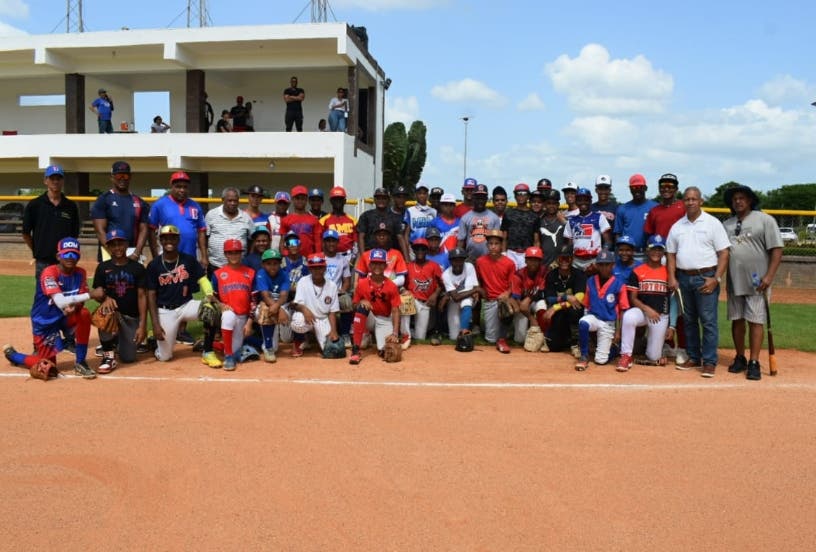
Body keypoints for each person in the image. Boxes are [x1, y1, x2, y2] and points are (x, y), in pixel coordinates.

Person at [3, 238, 96, 379]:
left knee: (83, 314)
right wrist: (91, 295)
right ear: (58, 256)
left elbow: (80, 299)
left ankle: (81, 362)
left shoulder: (80, 273)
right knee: (48, 366)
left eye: (74, 254)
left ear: (79, 257)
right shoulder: (49, 273)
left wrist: (76, 306)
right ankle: (14, 356)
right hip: (45, 321)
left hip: (65, 317)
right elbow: (60, 301)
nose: (70, 258)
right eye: (66, 254)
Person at [666, 186, 730, 378]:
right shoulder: (677, 226)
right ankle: (694, 356)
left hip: (706, 276)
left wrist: (716, 278)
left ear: (701, 201)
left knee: (708, 321)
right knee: (689, 320)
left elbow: (724, 253)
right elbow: (670, 254)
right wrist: (671, 276)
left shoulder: (712, 223)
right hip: (684, 277)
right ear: (683, 202)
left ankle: (709, 361)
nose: (691, 202)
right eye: (687, 199)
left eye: (694, 199)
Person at [722, 184, 783, 381]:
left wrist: (769, 276)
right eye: (734, 199)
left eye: (742, 198)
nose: (738, 201)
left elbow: (777, 250)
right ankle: (740, 357)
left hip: (759, 283)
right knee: (737, 320)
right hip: (734, 281)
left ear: (750, 200)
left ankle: (754, 361)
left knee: (756, 321)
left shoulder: (764, 220)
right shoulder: (727, 225)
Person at [147, 172, 208, 344]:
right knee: (164, 290)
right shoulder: (160, 205)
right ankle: (159, 327)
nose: (182, 190)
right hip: (167, 256)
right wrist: (154, 255)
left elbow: (201, 231)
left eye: (184, 186)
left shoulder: (195, 206)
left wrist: (203, 255)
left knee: (186, 290)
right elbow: (152, 230)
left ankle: (182, 330)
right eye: (178, 186)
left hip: (188, 256)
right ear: (171, 186)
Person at [146, 225, 213, 362]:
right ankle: (156, 344)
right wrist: (155, 324)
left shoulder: (188, 260)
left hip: (186, 306)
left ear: (178, 240)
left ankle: (208, 349)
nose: (169, 241)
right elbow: (151, 295)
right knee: (165, 357)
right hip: (165, 311)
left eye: (173, 238)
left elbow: (202, 279)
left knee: (213, 309)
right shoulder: (154, 265)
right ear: (160, 240)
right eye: (165, 238)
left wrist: (209, 293)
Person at [89, 229, 148, 373]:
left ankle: (117, 341)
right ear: (107, 247)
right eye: (113, 245)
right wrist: (105, 298)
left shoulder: (137, 268)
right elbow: (97, 292)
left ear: (127, 244)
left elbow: (142, 296)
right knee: (104, 312)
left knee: (128, 358)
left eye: (120, 244)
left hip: (131, 317)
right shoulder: (103, 267)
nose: (117, 248)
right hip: (113, 314)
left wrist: (142, 325)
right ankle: (108, 354)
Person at [618, 235, 677, 371]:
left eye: (659, 249)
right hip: (642, 312)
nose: (656, 252)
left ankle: (654, 347)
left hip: (660, 316)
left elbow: (673, 301)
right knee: (628, 317)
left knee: (653, 357)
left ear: (663, 252)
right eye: (653, 249)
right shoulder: (637, 271)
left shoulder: (669, 273)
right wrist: (647, 309)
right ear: (647, 250)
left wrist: (672, 326)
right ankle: (626, 355)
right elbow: (633, 298)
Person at [201, 239, 255, 370]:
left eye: (237, 252)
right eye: (230, 252)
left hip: (243, 316)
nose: (234, 255)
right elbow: (211, 295)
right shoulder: (218, 274)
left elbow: (254, 300)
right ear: (225, 254)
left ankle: (213, 345)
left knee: (237, 349)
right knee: (229, 316)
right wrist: (220, 304)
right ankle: (228, 357)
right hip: (228, 314)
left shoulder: (250, 272)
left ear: (241, 253)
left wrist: (250, 321)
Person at [22, 165, 80, 282]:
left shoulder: (70, 206)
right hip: (43, 261)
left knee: (66, 296)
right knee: (43, 297)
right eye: (52, 178)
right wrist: (36, 250)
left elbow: (74, 234)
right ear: (45, 181)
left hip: (65, 260)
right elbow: (26, 233)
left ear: (63, 181)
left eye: (58, 178)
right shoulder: (35, 205)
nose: (55, 181)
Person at [575, 250, 629, 371]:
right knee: (583, 322)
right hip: (594, 317)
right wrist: (587, 330)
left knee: (600, 360)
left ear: (613, 265)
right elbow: (587, 305)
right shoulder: (590, 281)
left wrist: (618, 332)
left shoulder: (619, 284)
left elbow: (622, 310)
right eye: (601, 265)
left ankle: (615, 349)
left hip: (608, 323)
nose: (604, 268)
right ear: (597, 265)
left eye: (607, 264)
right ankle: (584, 356)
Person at [349, 249, 402, 365]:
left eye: (380, 263)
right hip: (369, 318)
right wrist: (361, 301)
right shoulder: (362, 283)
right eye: (374, 263)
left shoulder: (391, 286)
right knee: (362, 307)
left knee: (384, 350)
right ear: (369, 265)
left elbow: (395, 310)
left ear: (385, 266)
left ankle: (370, 338)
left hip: (384, 319)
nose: (377, 266)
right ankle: (356, 350)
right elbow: (354, 306)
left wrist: (395, 333)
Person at [90, 160, 150, 264]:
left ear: (130, 177)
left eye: (125, 176)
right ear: (112, 177)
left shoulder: (139, 202)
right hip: (109, 254)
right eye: (118, 176)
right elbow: (100, 231)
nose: (122, 179)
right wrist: (115, 254)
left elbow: (144, 229)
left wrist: (137, 253)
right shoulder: (103, 200)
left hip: (133, 253)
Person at [290, 253, 341, 357]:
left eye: (320, 267)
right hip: (308, 317)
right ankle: (302, 339)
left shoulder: (332, 285)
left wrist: (333, 331)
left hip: (323, 319)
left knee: (329, 350)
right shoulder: (303, 282)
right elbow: (295, 304)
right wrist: (304, 309)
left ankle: (316, 338)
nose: (317, 270)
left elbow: (332, 311)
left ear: (325, 268)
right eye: (314, 268)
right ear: (309, 269)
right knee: (297, 323)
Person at [475, 230, 517, 353]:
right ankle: (496, 330)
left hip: (504, 300)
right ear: (487, 245)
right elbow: (477, 281)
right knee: (491, 339)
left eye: (496, 243)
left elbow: (513, 285)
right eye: (491, 243)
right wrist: (478, 291)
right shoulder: (480, 261)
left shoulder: (509, 263)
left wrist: (507, 294)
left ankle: (505, 331)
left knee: (505, 313)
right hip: (489, 301)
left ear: (501, 245)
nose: (493, 246)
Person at [542, 244, 586, 358]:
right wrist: (566, 298)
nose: (564, 261)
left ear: (572, 259)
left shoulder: (579, 274)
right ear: (557, 259)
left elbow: (578, 299)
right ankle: (565, 338)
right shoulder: (551, 275)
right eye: (562, 258)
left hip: (572, 312)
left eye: (567, 258)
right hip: (559, 314)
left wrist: (557, 306)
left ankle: (576, 343)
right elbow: (549, 298)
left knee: (575, 309)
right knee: (554, 347)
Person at [400, 238, 443, 344]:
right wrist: (404, 290)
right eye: (417, 249)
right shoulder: (408, 266)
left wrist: (435, 294)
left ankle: (412, 332)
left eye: (423, 249)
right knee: (405, 300)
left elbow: (441, 284)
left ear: (427, 251)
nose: (420, 251)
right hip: (412, 299)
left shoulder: (434, 265)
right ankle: (406, 336)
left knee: (420, 338)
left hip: (426, 303)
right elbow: (401, 285)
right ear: (413, 251)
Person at [204, 187, 255, 276]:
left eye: (235, 201)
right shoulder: (211, 215)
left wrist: (248, 258)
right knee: (214, 290)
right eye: (230, 200)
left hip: (239, 267)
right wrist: (205, 257)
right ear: (223, 200)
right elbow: (205, 237)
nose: (233, 203)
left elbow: (252, 239)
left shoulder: (246, 217)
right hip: (216, 265)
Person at [252, 249, 291, 362]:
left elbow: (283, 296)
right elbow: (265, 296)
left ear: (280, 264)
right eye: (268, 263)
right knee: (266, 309)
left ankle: (247, 340)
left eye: (275, 263)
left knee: (277, 346)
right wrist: (277, 308)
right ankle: (268, 348)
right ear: (263, 264)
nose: (272, 267)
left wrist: (278, 308)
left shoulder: (284, 274)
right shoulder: (261, 273)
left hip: (278, 305)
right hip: (262, 307)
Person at [563, 187, 611, 271]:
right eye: (580, 200)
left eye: (586, 200)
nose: (583, 202)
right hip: (576, 261)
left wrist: (600, 260)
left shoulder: (599, 217)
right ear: (576, 201)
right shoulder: (571, 221)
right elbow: (569, 245)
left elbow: (608, 242)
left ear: (590, 201)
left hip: (594, 260)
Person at [439, 247, 482, 340]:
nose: (458, 263)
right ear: (450, 261)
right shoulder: (446, 274)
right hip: (453, 301)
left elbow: (472, 287)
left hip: (467, 298)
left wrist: (474, 291)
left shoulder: (469, 266)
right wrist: (475, 290)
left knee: (466, 303)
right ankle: (461, 328)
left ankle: (464, 332)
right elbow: (455, 297)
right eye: (455, 260)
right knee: (454, 337)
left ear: (464, 260)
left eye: (460, 260)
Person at [510, 246, 548, 348]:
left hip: (536, 301)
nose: (533, 263)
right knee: (520, 339)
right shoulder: (518, 275)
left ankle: (544, 337)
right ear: (526, 260)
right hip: (522, 306)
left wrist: (529, 299)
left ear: (540, 261)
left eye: (536, 260)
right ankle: (531, 324)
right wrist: (531, 318)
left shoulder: (544, 271)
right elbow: (516, 298)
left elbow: (541, 291)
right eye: (530, 259)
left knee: (542, 306)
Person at [614, 174, 657, 260]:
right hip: (627, 255)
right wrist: (620, 252)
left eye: (640, 187)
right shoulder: (622, 208)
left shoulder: (655, 207)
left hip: (648, 253)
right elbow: (618, 234)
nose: (637, 190)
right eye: (634, 187)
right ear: (630, 189)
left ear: (645, 188)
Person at [321, 229, 353, 347]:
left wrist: (342, 290)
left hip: (336, 293)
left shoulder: (342, 259)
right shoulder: (319, 257)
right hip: (319, 292)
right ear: (323, 242)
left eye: (333, 241)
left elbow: (346, 281)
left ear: (337, 242)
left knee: (346, 300)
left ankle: (345, 334)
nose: (330, 244)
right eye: (327, 241)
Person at [457, 183, 502, 262]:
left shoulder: (494, 217)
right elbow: (461, 241)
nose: (480, 201)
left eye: (482, 198)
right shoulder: (465, 217)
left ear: (487, 199)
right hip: (470, 258)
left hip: (489, 259)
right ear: (473, 198)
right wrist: (459, 258)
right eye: (477, 198)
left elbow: (497, 241)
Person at [501, 183, 541, 269]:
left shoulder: (534, 216)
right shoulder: (508, 213)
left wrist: (535, 255)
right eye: (518, 194)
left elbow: (536, 240)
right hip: (511, 253)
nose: (521, 196)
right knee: (510, 280)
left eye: (524, 193)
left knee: (526, 280)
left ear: (528, 196)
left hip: (527, 254)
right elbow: (504, 236)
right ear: (515, 196)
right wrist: (503, 253)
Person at [357, 187, 404, 252]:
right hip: (369, 252)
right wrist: (363, 257)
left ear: (388, 200)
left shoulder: (394, 217)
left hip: (389, 254)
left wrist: (407, 260)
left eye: (384, 198)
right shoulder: (366, 216)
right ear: (374, 200)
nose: (381, 200)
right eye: (378, 198)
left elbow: (400, 238)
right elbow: (361, 237)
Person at [280, 185, 322, 256]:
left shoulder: (314, 220)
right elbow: (282, 241)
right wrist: (285, 255)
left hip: (309, 259)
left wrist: (317, 257)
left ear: (306, 200)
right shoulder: (285, 220)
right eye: (297, 198)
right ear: (293, 199)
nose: (300, 201)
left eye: (302, 199)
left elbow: (317, 242)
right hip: (292, 259)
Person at [319, 186, 358, 262]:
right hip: (330, 257)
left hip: (348, 257)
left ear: (345, 201)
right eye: (335, 199)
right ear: (331, 201)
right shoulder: (323, 221)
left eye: (340, 199)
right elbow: (321, 243)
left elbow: (355, 243)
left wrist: (352, 261)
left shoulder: (353, 220)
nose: (338, 201)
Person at [644, 173, 685, 241]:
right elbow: (649, 235)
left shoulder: (685, 207)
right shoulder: (653, 211)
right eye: (662, 186)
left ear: (676, 189)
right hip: (660, 250)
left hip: (680, 249)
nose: (666, 189)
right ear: (659, 188)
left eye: (670, 186)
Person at [403, 184, 437, 257]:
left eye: (424, 193)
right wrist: (408, 248)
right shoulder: (410, 210)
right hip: (414, 247)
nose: (422, 195)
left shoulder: (433, 211)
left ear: (427, 195)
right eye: (419, 193)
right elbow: (406, 233)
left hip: (429, 248)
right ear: (416, 195)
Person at [537, 189, 567, 268]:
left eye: (554, 203)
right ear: (544, 204)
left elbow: (569, 242)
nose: (551, 206)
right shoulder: (539, 221)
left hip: (560, 263)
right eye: (548, 203)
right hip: (543, 263)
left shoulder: (564, 220)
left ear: (558, 204)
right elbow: (537, 242)